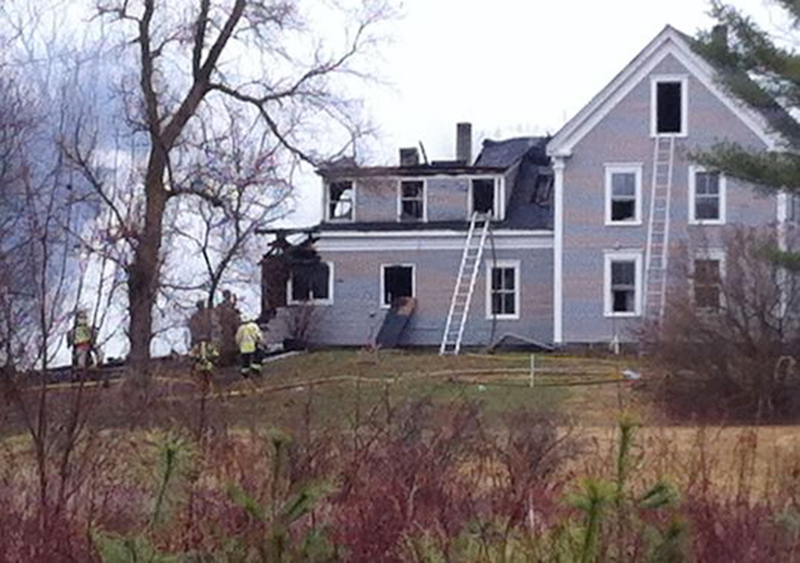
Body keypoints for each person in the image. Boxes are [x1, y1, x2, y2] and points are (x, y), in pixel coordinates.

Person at [188, 300, 218, 375]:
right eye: (200, 305)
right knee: (197, 357)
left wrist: (212, 336)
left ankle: (208, 371)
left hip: (207, 339)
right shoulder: (195, 317)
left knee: (211, 355)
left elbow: (213, 326)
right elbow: (192, 328)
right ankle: (198, 371)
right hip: (199, 340)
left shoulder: (208, 315)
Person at [216, 290, 241, 366]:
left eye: (228, 295)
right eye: (227, 295)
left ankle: (232, 360)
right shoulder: (221, 306)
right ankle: (225, 361)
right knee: (226, 345)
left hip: (232, 330)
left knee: (232, 344)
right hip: (225, 329)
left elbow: (236, 319)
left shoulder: (232, 307)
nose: (228, 297)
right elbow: (217, 318)